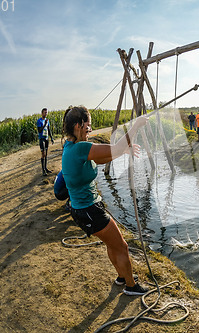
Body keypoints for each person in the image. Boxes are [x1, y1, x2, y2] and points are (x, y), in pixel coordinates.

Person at [61, 105, 149, 296]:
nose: (90, 130)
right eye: (88, 126)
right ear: (78, 125)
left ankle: (121, 276)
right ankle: (131, 286)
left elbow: (99, 158)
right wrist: (136, 126)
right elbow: (114, 147)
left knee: (112, 244)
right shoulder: (80, 148)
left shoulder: (70, 147)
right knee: (122, 247)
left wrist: (122, 152)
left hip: (84, 209)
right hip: (89, 210)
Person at [37, 108, 54, 176]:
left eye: (46, 112)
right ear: (42, 113)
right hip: (42, 139)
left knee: (46, 154)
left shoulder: (47, 120)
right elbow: (39, 131)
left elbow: (49, 130)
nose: (46, 114)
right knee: (43, 154)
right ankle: (43, 170)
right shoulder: (39, 121)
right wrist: (44, 124)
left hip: (46, 138)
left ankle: (46, 168)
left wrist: (52, 138)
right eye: (45, 112)